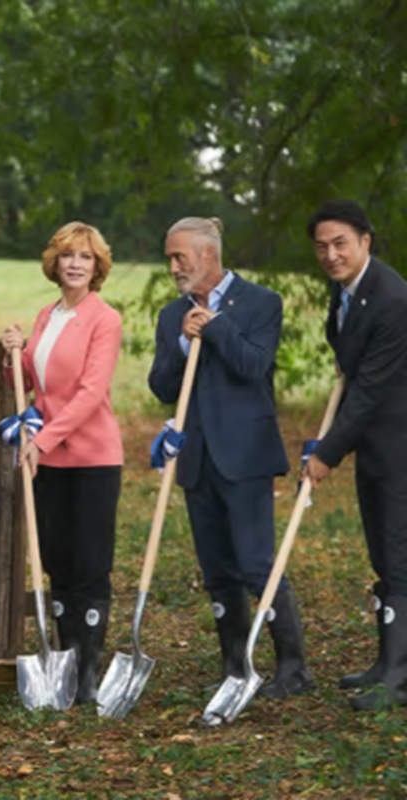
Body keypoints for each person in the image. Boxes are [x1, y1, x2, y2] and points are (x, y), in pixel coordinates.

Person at [148, 216, 311, 700]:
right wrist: (182, 341)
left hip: (245, 456)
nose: (173, 266)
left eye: (180, 257)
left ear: (208, 255)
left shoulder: (261, 303)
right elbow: (162, 386)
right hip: (196, 458)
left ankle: (293, 668)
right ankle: (235, 668)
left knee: (257, 564)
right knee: (217, 571)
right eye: (170, 258)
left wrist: (215, 327)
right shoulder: (169, 315)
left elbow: (253, 366)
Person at [0, 221, 123, 704]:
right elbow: (30, 381)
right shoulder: (46, 316)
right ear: (56, 262)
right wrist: (13, 354)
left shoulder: (104, 319)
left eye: (86, 258)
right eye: (69, 255)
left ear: (97, 268)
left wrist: (43, 439)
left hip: (91, 458)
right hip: (48, 458)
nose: (75, 264)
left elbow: (92, 392)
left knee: (91, 564)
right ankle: (64, 663)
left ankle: (88, 673)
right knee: (58, 561)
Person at [302, 200, 407, 711]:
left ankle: (398, 677)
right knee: (384, 554)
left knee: (401, 552)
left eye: (340, 242)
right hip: (375, 444)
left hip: (400, 442)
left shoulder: (391, 297)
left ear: (366, 240)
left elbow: (367, 390)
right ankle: (387, 664)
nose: (331, 254)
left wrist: (326, 453)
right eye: (322, 246)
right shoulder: (345, 294)